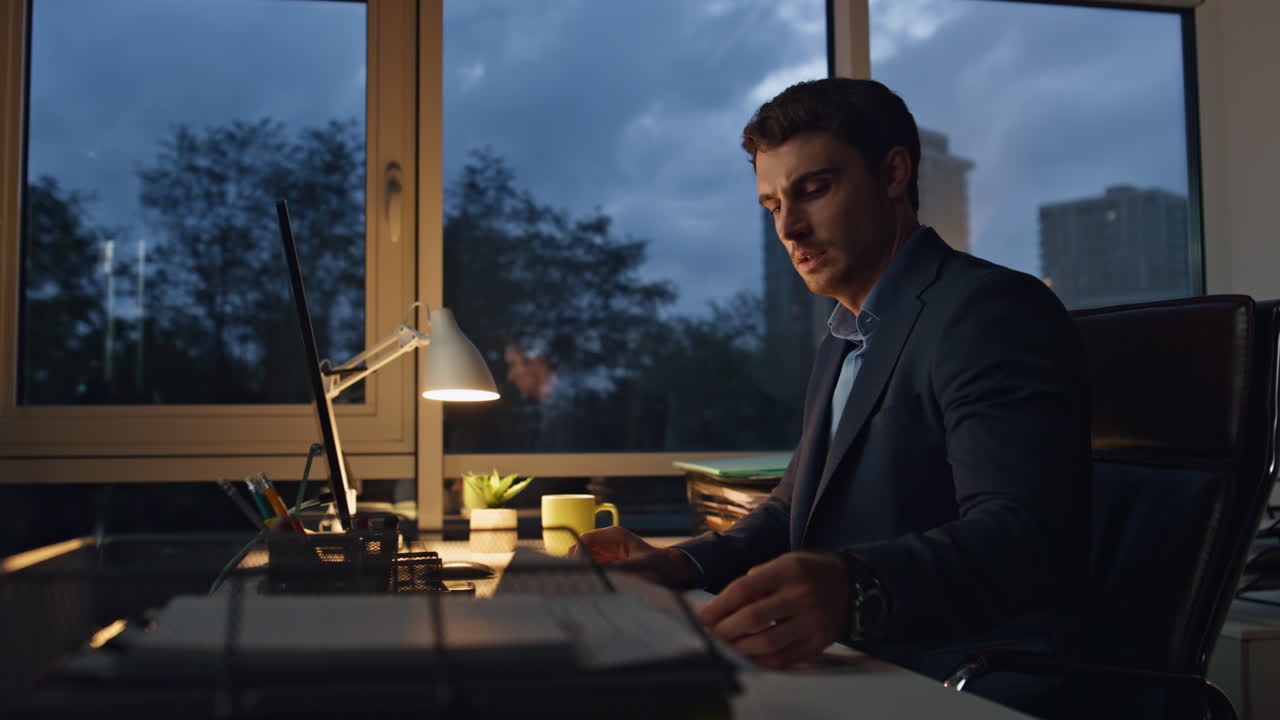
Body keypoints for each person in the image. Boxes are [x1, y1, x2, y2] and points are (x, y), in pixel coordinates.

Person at [574, 78, 1090, 712]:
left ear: (895, 172)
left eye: (813, 190)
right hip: (848, 666)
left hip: (957, 680)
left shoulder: (986, 310)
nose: (789, 226)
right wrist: (680, 565)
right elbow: (787, 515)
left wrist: (854, 585)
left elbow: (1024, 533)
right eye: (771, 205)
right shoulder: (846, 337)